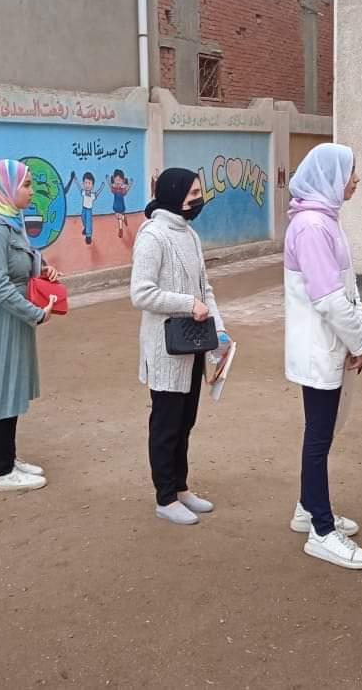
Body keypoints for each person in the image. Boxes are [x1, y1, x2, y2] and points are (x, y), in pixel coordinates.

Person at [283, 143, 362, 570]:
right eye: (351, 171)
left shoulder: (325, 220)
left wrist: (361, 336)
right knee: (319, 436)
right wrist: (360, 342)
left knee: (323, 431)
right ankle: (320, 530)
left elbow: (347, 289)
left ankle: (308, 507)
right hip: (321, 347)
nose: (356, 179)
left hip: (332, 344)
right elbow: (329, 299)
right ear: (330, 176)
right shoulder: (311, 226)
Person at [130, 167, 228, 526]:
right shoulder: (153, 235)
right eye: (193, 194)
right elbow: (141, 293)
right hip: (166, 348)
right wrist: (188, 304)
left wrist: (219, 331)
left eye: (199, 193)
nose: (199, 200)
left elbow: (206, 288)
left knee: (186, 421)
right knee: (166, 425)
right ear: (174, 194)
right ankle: (165, 497)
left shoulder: (190, 234)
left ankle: (181, 488)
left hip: (194, 344)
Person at [0, 159, 59, 493]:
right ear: (6, 188)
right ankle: (2, 472)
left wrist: (42, 270)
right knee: (4, 386)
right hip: (0, 317)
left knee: (11, 385)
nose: (31, 191)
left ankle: (9, 457)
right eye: (26, 185)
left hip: (10, 316)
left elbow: (19, 263)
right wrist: (35, 313)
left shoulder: (7, 222)